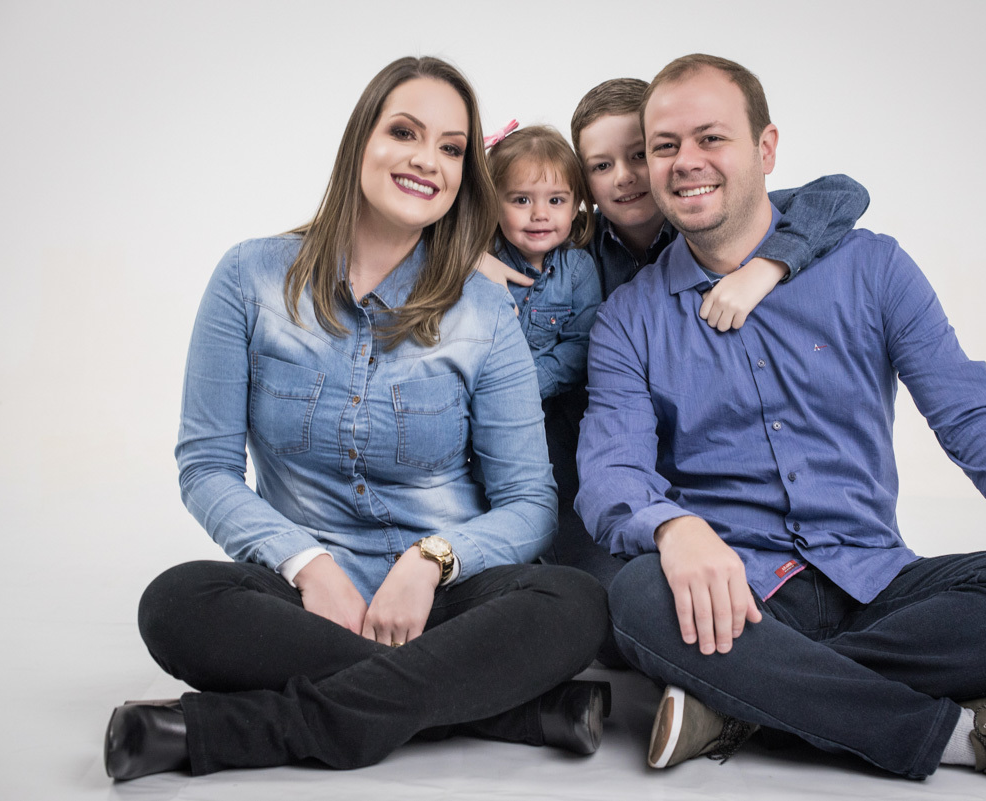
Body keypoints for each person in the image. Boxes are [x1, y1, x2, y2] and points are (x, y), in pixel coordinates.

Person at [577, 53, 986, 795]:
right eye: (665, 146)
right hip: (739, 594)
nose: (686, 163)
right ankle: (967, 737)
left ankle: (745, 701)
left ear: (765, 148)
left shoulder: (872, 268)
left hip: (876, 577)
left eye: (711, 138)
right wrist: (674, 529)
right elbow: (611, 470)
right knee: (639, 596)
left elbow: (967, 411)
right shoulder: (628, 318)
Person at [103, 56, 612, 782]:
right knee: (178, 602)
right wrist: (307, 564)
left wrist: (429, 561)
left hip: (446, 602)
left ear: (465, 175)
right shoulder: (248, 277)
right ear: (359, 142)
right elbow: (207, 469)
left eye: (450, 147)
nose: (425, 159)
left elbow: (530, 502)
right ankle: (502, 708)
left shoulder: (484, 309)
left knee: (574, 600)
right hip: (305, 605)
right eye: (404, 131)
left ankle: (233, 730)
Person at [528, 78, 871, 656]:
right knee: (616, 617)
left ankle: (773, 676)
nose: (626, 176)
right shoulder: (570, 254)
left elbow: (842, 193)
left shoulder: (711, 219)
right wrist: (473, 256)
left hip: (702, 466)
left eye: (641, 154)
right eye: (601, 165)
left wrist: (768, 266)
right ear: (582, 181)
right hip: (604, 462)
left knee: (724, 601)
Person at [487, 124, 602, 401]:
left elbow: (580, 346)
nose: (540, 214)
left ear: (576, 207)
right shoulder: (481, 260)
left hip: (542, 406)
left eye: (555, 200)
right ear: (493, 203)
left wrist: (523, 389)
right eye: (522, 200)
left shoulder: (578, 270)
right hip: (477, 397)